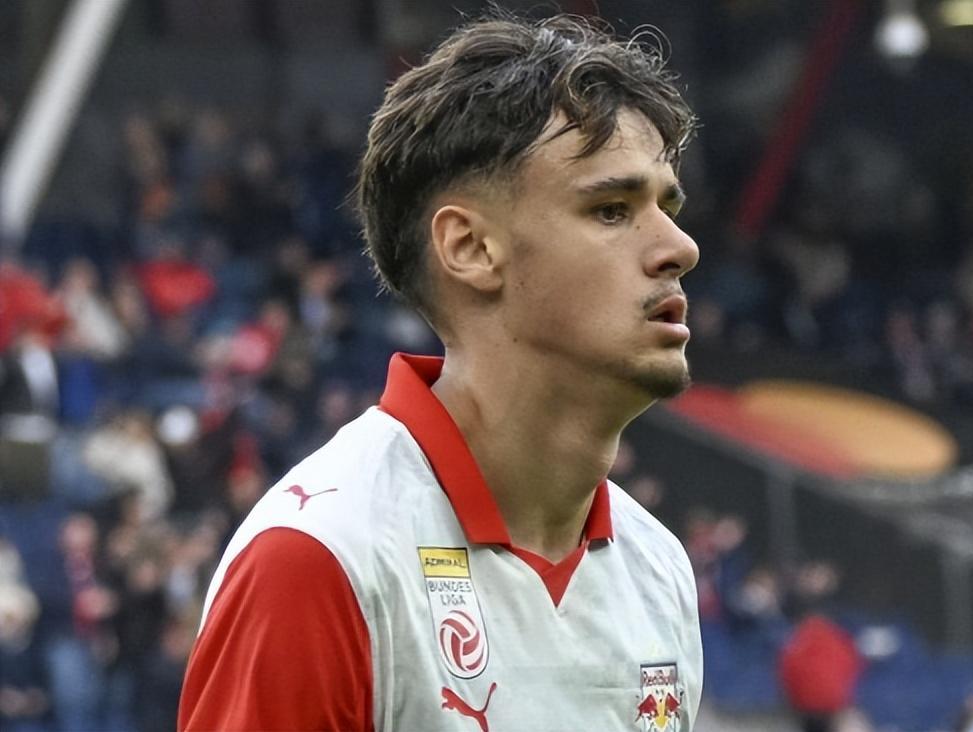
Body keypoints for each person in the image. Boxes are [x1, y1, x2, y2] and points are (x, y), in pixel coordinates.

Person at [178, 11, 703, 731]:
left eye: (668, 206)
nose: (680, 247)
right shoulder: (320, 558)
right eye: (612, 209)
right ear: (471, 248)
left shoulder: (659, 569)